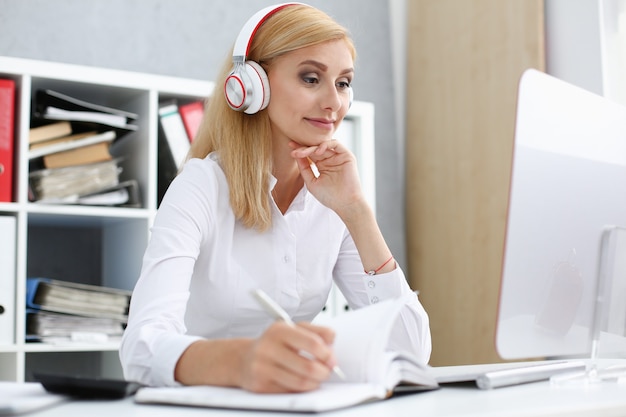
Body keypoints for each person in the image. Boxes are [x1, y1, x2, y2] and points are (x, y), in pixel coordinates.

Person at [119, 2, 431, 394]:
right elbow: (140, 348)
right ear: (250, 86)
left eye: (344, 82)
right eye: (311, 78)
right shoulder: (201, 186)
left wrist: (357, 212)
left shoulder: (333, 200)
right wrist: (242, 361)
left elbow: (412, 351)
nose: (333, 102)